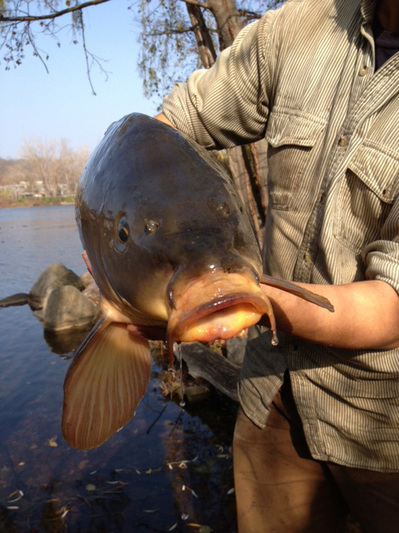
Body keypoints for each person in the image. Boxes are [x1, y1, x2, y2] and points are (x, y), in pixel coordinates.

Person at [155, 0, 399, 531]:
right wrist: (128, 232)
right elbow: (172, 125)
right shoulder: (298, 26)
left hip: (383, 431)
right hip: (270, 396)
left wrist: (248, 296)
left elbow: (392, 306)